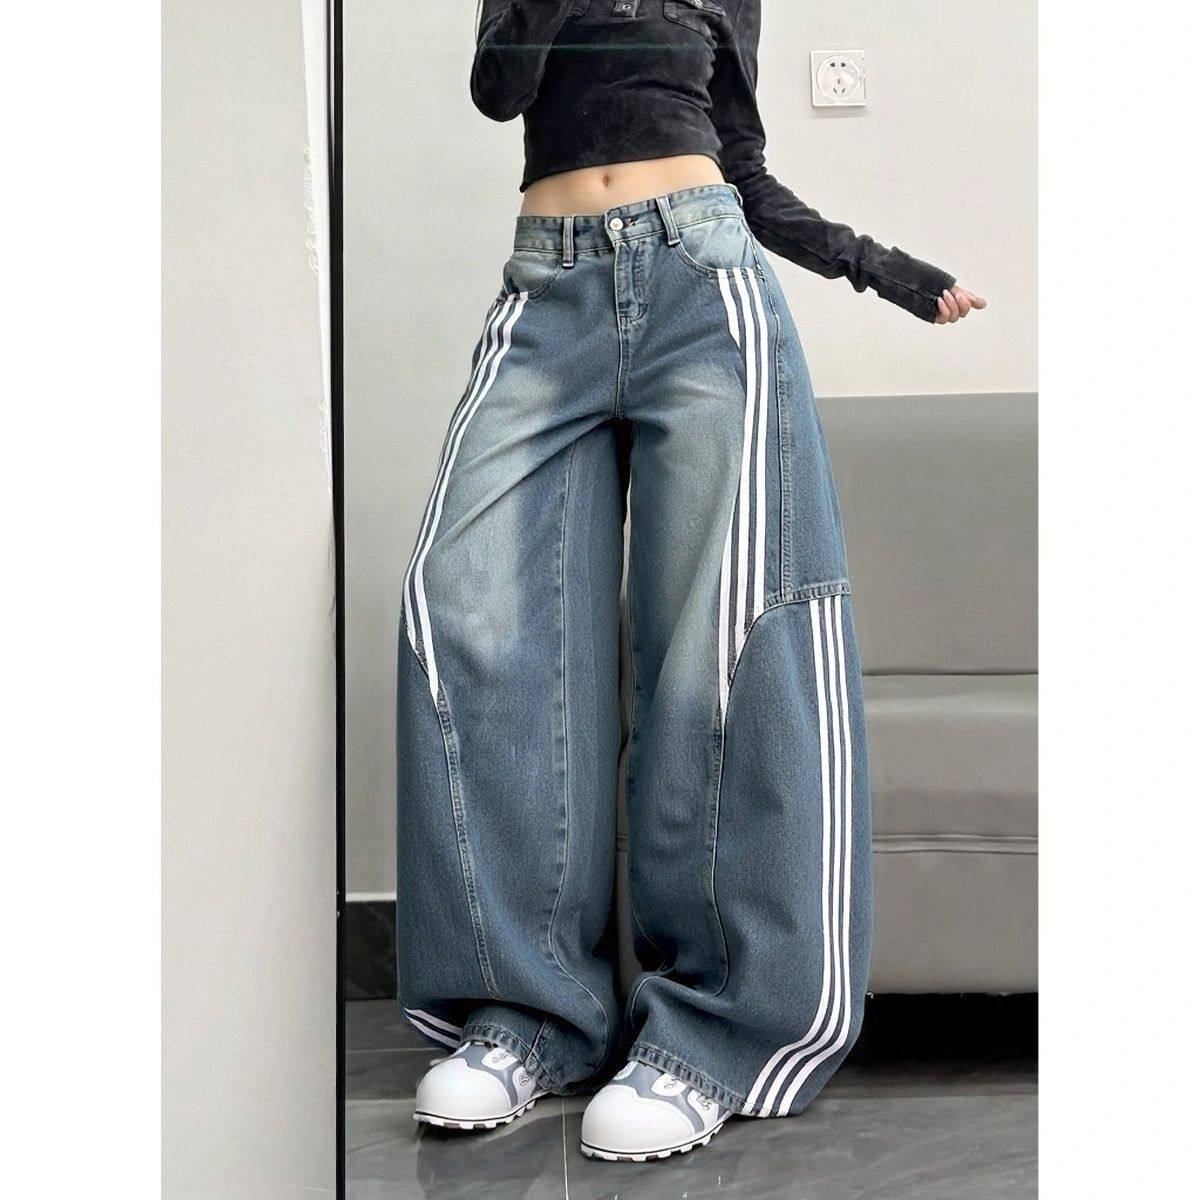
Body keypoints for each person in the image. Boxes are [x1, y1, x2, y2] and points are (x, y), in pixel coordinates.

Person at [396, 0, 986, 1163]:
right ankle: (528, 1014)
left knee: (725, 634)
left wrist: (878, 268)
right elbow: (499, 89)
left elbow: (744, 170)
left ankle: (713, 1033)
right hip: (548, 285)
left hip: (703, 279)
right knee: (462, 607)